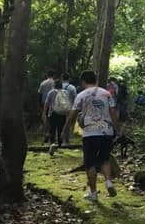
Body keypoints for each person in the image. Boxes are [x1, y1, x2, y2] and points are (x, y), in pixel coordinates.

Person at [64, 69, 118, 201]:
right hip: (106, 132)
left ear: (83, 81)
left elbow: (72, 114)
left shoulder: (81, 95)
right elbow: (113, 112)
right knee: (105, 159)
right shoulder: (106, 94)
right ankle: (108, 181)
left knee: (90, 163)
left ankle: (93, 193)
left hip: (90, 133)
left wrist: (65, 129)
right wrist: (116, 129)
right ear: (96, 80)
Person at [44, 79, 72, 155]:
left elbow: (46, 103)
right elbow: (68, 103)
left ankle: (52, 144)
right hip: (62, 114)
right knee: (60, 129)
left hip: (53, 113)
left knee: (52, 129)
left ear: (54, 85)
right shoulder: (65, 92)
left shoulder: (51, 92)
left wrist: (44, 113)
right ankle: (59, 145)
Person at [38, 69, 56, 138]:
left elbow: (39, 94)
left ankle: (46, 133)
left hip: (44, 103)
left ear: (47, 75)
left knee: (45, 119)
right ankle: (52, 134)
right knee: (52, 119)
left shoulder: (43, 83)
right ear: (53, 75)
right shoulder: (55, 83)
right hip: (53, 104)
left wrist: (40, 105)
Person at [61, 73, 77, 146]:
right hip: (69, 108)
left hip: (59, 108)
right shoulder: (72, 87)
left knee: (60, 124)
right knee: (67, 124)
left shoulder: (58, 86)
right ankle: (66, 140)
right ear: (69, 78)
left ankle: (60, 140)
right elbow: (75, 98)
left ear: (62, 78)